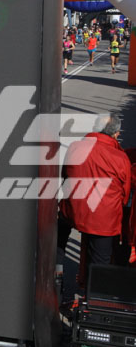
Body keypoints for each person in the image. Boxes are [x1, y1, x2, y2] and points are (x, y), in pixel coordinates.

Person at [58, 114, 131, 282]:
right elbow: (124, 195)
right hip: (103, 219)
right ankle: (92, 294)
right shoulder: (121, 158)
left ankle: (56, 276)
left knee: (59, 237)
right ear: (116, 134)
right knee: (100, 261)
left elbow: (65, 176)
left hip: (72, 210)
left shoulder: (75, 147)